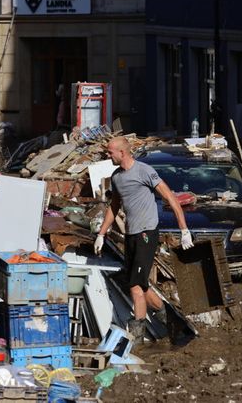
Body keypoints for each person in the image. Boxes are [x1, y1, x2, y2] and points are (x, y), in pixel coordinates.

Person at [94, 136, 194, 345]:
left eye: (110, 152)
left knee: (135, 287)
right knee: (142, 287)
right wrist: (102, 234)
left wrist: (184, 229)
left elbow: (170, 197)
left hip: (147, 233)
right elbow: (114, 207)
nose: (107, 155)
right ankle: (175, 322)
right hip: (131, 235)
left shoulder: (144, 171)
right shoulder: (116, 177)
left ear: (122, 152)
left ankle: (136, 340)